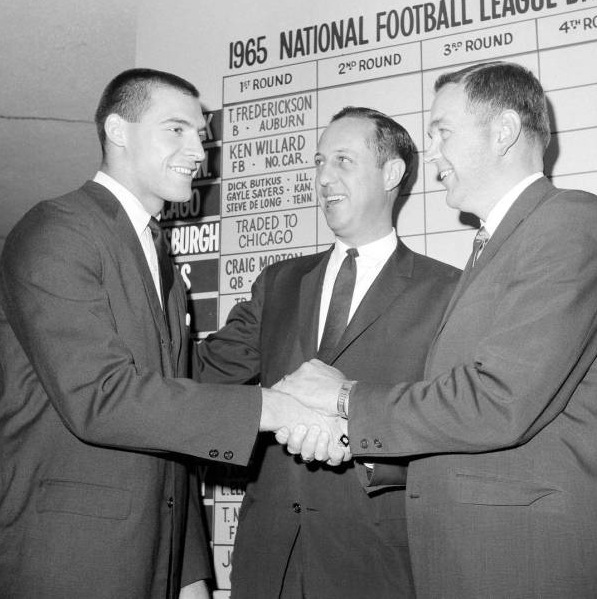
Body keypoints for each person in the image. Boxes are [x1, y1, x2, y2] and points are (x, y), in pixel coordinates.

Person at [276, 62, 597, 598]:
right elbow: (473, 430)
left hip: (536, 569)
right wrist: (359, 444)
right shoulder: (493, 249)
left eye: (443, 131)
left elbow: (499, 401)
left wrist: (346, 400)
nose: (433, 151)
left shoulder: (569, 220)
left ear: (504, 132)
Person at [0, 68, 346, 599]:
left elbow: (168, 424)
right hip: (65, 558)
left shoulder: (157, 256)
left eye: (200, 134)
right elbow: (101, 399)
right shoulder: (57, 230)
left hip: (157, 560)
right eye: (176, 129)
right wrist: (272, 408)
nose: (198, 150)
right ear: (117, 131)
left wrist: (189, 571)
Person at [193, 106, 460, 598]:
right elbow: (199, 376)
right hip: (267, 565)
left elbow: (455, 426)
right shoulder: (278, 283)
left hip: (376, 568)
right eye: (318, 162)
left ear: (392, 172)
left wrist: (358, 445)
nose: (323, 177)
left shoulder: (448, 292)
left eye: (342, 160)